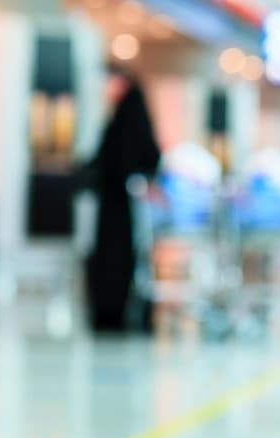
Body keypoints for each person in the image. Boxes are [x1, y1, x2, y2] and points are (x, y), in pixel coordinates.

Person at [84, 70, 161, 332]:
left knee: (114, 258)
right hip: (123, 206)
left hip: (117, 206)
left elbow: (111, 162)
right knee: (122, 258)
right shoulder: (132, 122)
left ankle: (111, 310)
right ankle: (117, 308)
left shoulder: (121, 124)